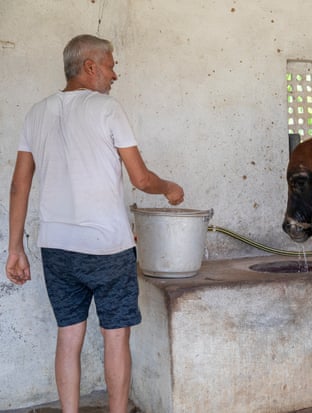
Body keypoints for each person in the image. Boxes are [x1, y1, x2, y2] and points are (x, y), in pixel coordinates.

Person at [4, 34, 184, 413]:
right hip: (108, 248)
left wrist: (16, 248)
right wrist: (169, 188)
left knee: (69, 337)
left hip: (56, 248)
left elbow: (20, 185)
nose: (114, 74)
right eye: (111, 64)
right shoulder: (107, 109)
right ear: (90, 67)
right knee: (115, 338)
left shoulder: (36, 112)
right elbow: (141, 179)